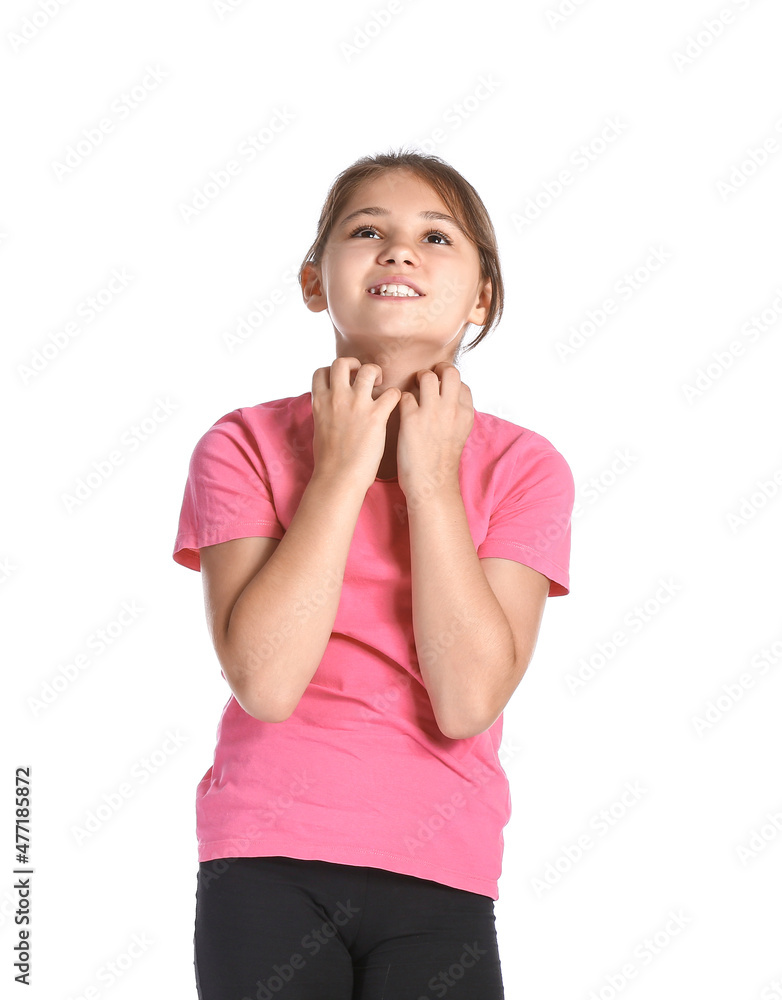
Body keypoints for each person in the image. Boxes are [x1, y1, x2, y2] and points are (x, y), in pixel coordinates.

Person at [172, 148, 575, 999]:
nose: (399, 252)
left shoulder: (525, 467)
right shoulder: (240, 446)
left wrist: (431, 483)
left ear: (481, 297)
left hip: (443, 865)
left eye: (436, 236)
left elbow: (467, 701)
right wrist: (340, 472)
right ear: (316, 282)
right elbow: (267, 684)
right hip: (265, 860)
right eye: (367, 231)